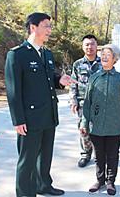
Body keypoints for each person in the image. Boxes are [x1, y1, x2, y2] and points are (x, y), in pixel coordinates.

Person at [5, 12, 72, 197]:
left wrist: (60, 80)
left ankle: (44, 185)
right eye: (46, 26)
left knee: (45, 156)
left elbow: (48, 77)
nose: (49, 30)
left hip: (48, 114)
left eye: (50, 26)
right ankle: (25, 193)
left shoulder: (46, 53)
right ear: (33, 27)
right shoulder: (17, 55)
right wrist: (18, 120)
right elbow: (13, 91)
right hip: (30, 117)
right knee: (27, 160)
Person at [80, 44, 120, 196]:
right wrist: (84, 122)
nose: (104, 57)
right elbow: (87, 102)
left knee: (113, 155)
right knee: (99, 155)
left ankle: (110, 181)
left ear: (115, 59)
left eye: (108, 55)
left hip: (115, 125)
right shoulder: (94, 78)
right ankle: (100, 180)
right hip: (96, 126)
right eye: (102, 54)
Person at [70, 34, 102, 168]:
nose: (90, 47)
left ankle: (99, 155)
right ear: (83, 47)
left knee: (99, 130)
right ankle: (85, 154)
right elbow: (73, 84)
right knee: (83, 130)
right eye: (87, 44)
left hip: (100, 104)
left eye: (92, 44)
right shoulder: (77, 64)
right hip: (83, 102)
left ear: (97, 46)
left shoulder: (104, 62)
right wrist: (73, 101)